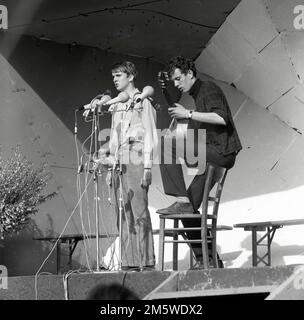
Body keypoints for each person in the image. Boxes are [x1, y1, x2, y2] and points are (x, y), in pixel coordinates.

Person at [157, 56, 242, 267]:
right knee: (188, 211)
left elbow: (222, 118)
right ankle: (209, 262)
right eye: (173, 81)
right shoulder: (197, 94)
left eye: (178, 79)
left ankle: (180, 198)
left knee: (166, 143)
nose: (176, 84)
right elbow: (191, 118)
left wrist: (188, 113)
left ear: (190, 74)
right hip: (211, 157)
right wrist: (180, 110)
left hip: (220, 152)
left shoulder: (208, 89)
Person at [97, 61, 157, 271]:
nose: (115, 79)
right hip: (119, 161)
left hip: (137, 157)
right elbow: (114, 137)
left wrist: (148, 166)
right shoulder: (117, 105)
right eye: (113, 76)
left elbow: (150, 134)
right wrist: (110, 165)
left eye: (119, 75)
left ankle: (146, 262)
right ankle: (129, 262)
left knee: (139, 209)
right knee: (123, 211)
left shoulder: (143, 102)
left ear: (131, 77)